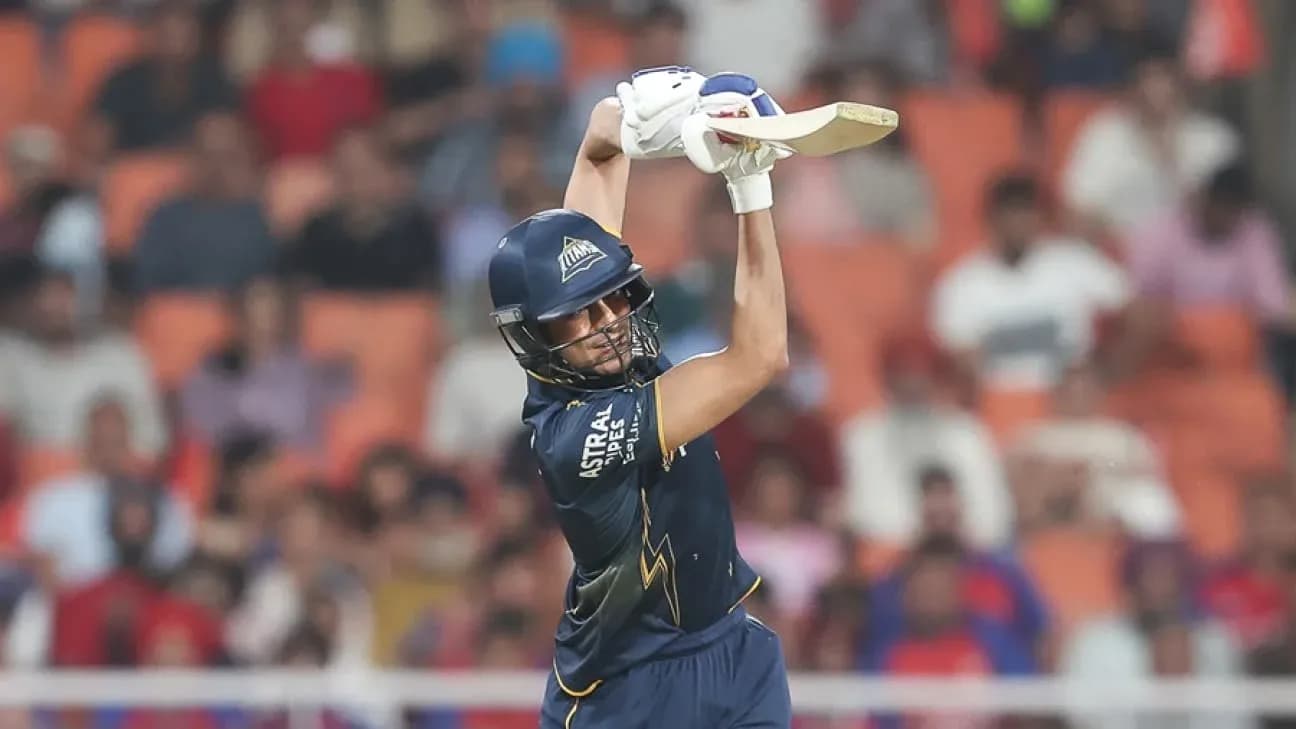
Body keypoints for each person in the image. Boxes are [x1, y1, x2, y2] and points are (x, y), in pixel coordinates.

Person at [487, 68, 793, 728]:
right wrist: (749, 182)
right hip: (626, 690)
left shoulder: (601, 338)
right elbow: (761, 356)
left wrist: (633, 117)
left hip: (734, 652)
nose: (605, 323)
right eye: (577, 315)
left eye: (612, 297)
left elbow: (599, 152)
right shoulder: (577, 436)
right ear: (537, 339)